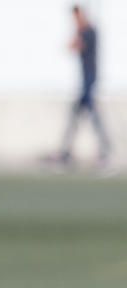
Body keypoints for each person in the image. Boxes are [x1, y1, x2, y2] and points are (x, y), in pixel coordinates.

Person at [59, 4, 112, 167]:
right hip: (85, 81)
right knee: (77, 114)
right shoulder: (84, 31)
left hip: (90, 80)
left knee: (91, 115)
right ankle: (66, 151)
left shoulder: (89, 32)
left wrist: (77, 35)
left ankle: (104, 150)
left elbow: (74, 47)